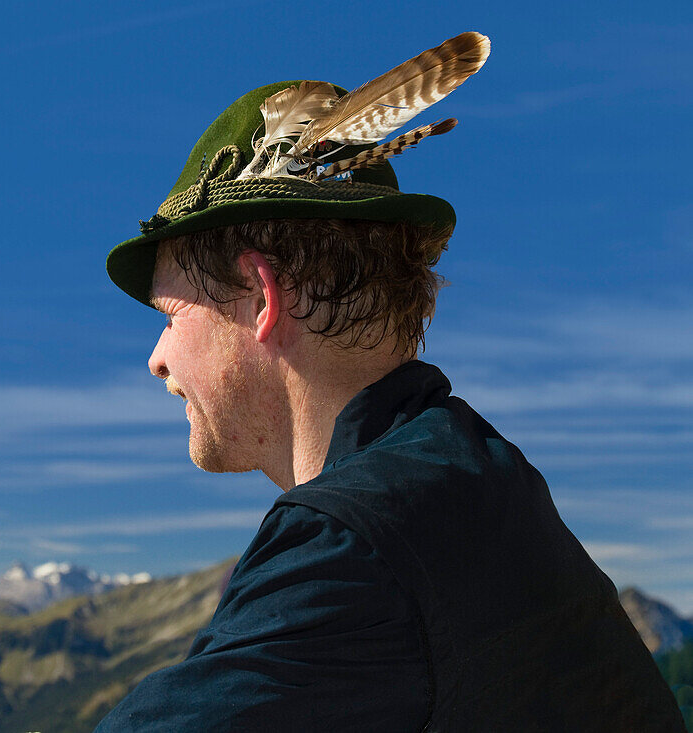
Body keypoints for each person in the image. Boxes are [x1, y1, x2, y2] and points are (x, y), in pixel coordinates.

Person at [94, 42, 685, 733]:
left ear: (261, 295)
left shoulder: (353, 541)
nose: (156, 360)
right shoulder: (475, 477)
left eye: (171, 316)